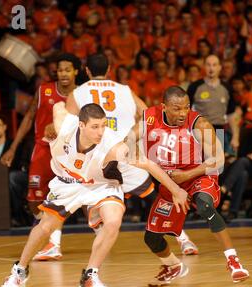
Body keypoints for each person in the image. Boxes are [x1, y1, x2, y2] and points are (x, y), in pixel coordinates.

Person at [0, 103, 189, 287]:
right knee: (46, 227)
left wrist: (175, 189)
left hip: (100, 183)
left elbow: (148, 164)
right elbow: (57, 106)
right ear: (81, 125)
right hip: (68, 182)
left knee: (114, 220)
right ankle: (19, 271)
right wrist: (50, 124)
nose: (100, 131)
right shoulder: (65, 126)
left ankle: (91, 275)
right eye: (95, 126)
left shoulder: (113, 145)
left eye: (103, 125)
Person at [64, 53, 200, 255]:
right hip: (125, 151)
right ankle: (184, 240)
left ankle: (100, 239)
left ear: (87, 71)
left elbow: (68, 129)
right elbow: (147, 114)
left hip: (97, 155)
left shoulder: (77, 93)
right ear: (109, 69)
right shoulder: (125, 90)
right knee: (153, 197)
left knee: (88, 194)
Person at [126, 86, 250, 286]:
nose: (183, 113)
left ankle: (233, 261)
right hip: (170, 183)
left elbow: (218, 160)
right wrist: (129, 149)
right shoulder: (150, 118)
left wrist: (187, 175)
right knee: (152, 238)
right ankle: (173, 266)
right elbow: (129, 138)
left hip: (198, 175)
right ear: (164, 107)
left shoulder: (199, 123)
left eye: (186, 108)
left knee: (204, 205)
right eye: (177, 109)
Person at [0, 53, 80, 260]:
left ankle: (54, 242)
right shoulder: (44, 90)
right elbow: (28, 118)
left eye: (67, 69)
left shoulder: (81, 95)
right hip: (42, 150)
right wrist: (13, 148)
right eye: (60, 69)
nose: (63, 73)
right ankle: (47, 228)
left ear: (76, 72)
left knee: (62, 198)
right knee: (33, 199)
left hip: (68, 154)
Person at [187, 54, 241, 154]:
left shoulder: (227, 88)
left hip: (219, 131)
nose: (211, 68)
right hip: (198, 131)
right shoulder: (194, 87)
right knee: (197, 165)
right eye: (208, 65)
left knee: (217, 167)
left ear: (220, 67)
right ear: (204, 67)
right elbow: (185, 112)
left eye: (214, 65)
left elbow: (231, 115)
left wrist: (235, 137)